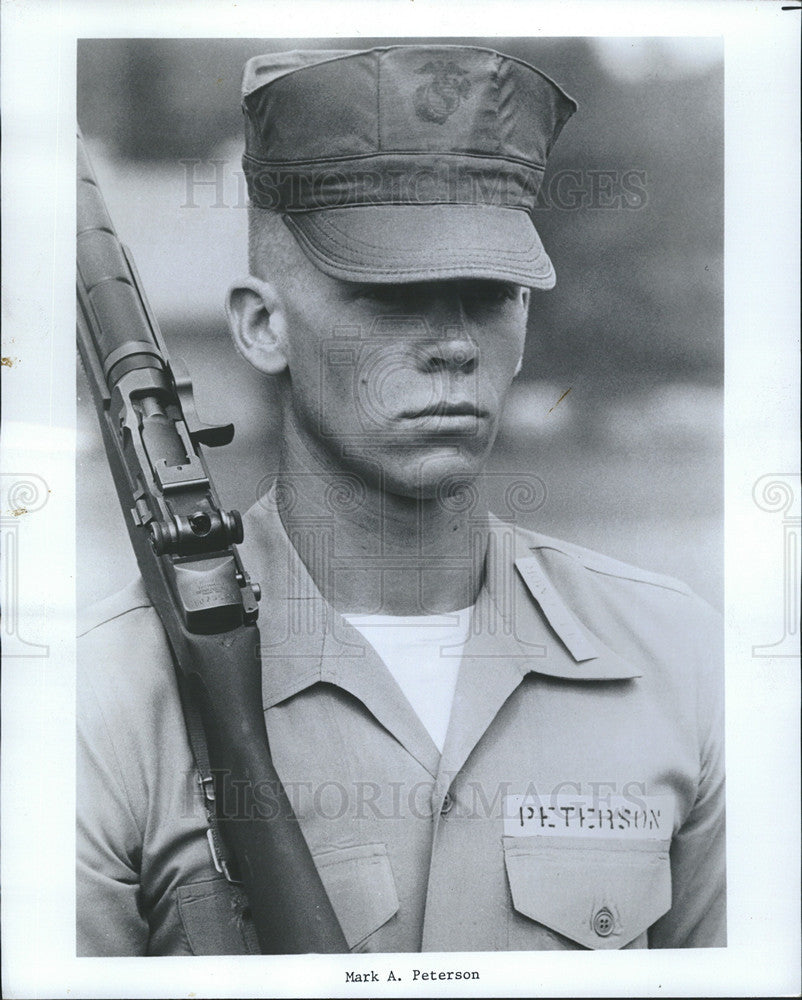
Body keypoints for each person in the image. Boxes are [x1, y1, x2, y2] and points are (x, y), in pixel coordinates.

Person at [77, 44, 725, 955]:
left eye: (489, 293)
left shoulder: (679, 661)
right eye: (392, 293)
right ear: (264, 327)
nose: (454, 345)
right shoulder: (107, 697)